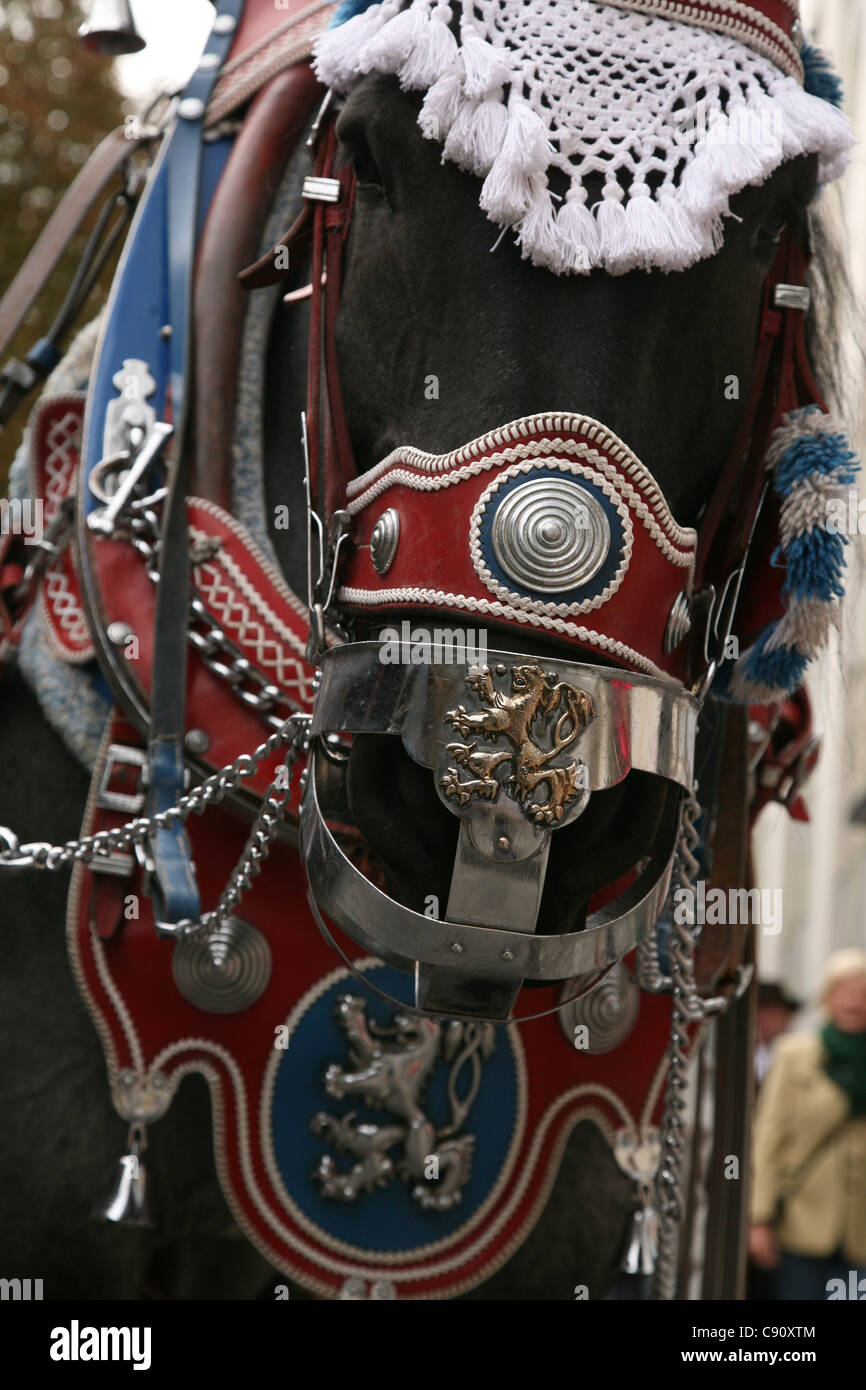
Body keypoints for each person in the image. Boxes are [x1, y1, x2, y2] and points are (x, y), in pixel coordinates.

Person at [748, 949, 866, 1300]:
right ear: (828, 999)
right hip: (802, 1221)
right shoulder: (795, 1054)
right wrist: (759, 1218)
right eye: (845, 992)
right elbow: (768, 1139)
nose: (855, 1003)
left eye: (862, 994)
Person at [754, 981, 801, 1087]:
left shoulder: (798, 1052)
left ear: (786, 1016)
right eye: (760, 1016)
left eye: (771, 1014)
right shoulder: (743, 1053)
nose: (765, 1022)